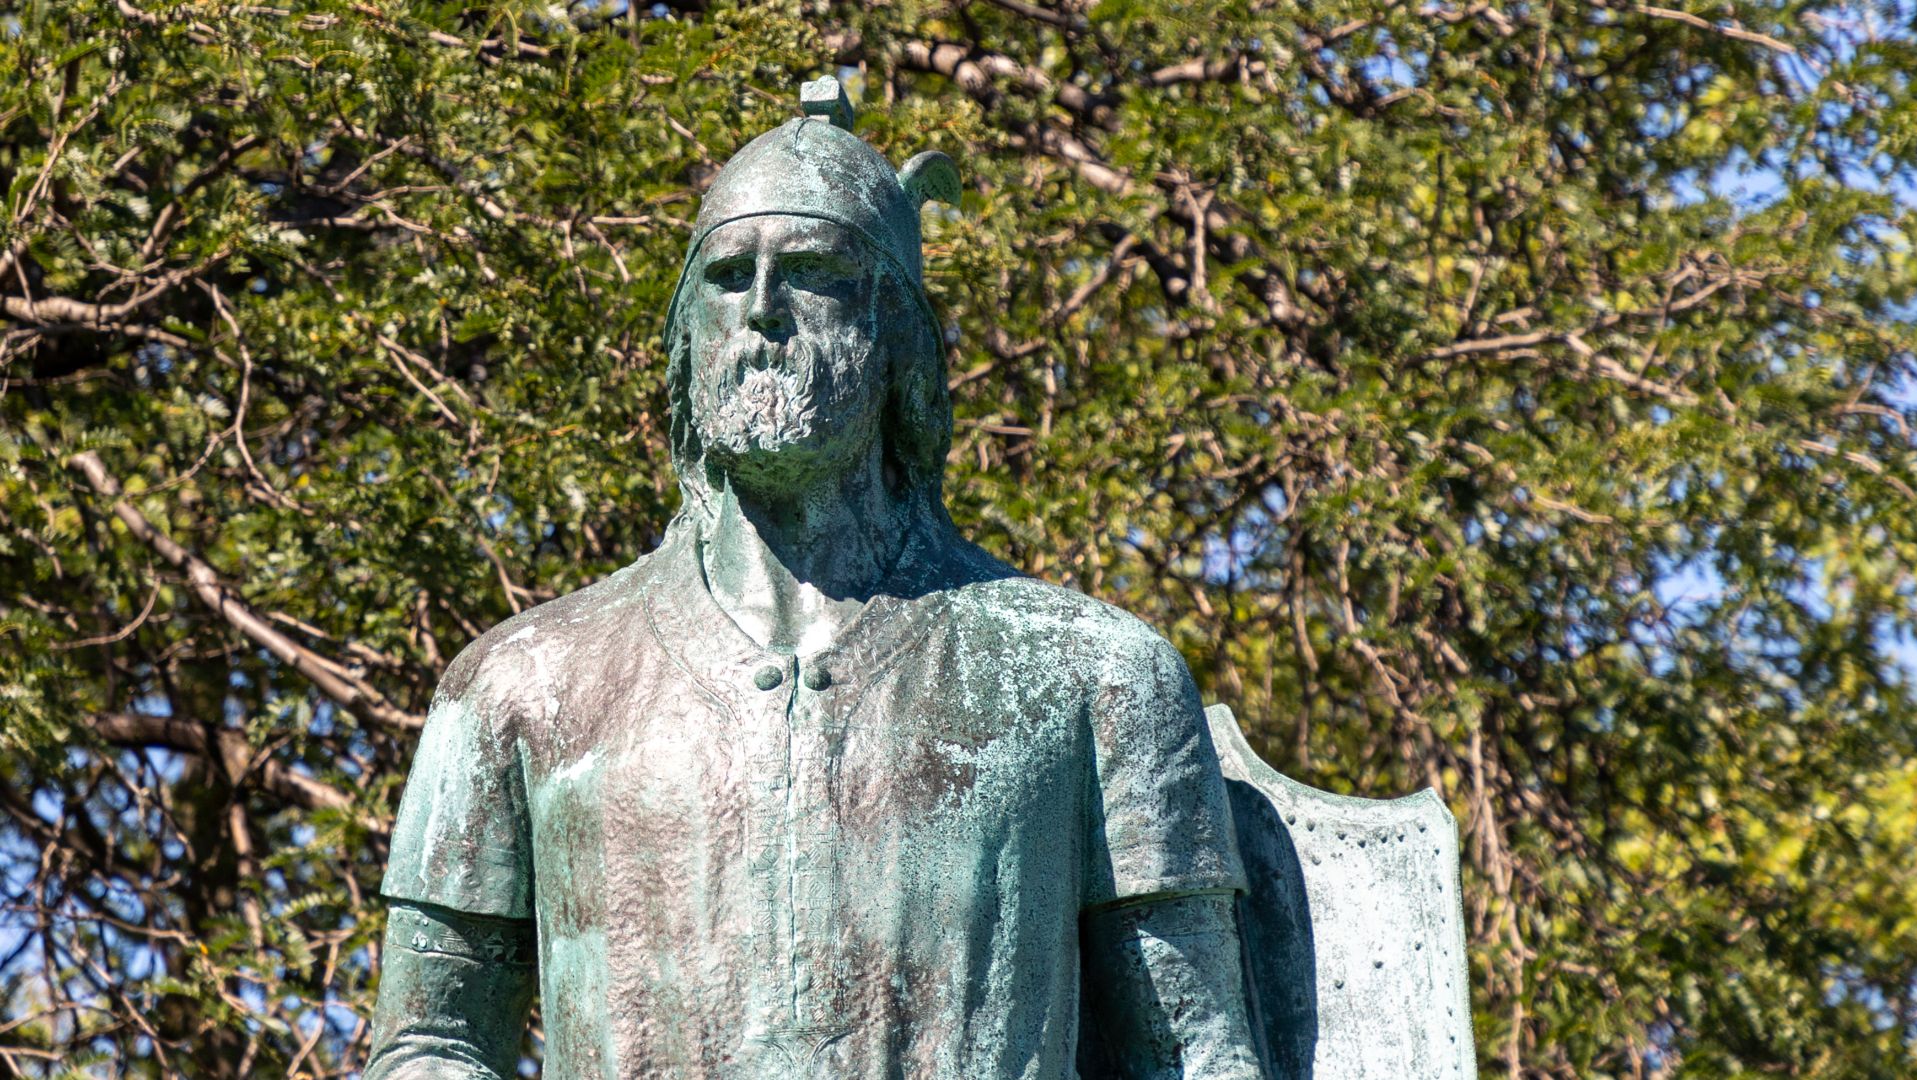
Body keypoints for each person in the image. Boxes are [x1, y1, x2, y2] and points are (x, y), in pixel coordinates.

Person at [366, 82, 1266, 1079]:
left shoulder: (1093, 676)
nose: (761, 310)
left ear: (898, 334)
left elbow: (1197, 1056)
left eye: (813, 273)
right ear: (685, 336)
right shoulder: (524, 685)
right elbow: (429, 1045)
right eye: (726, 278)